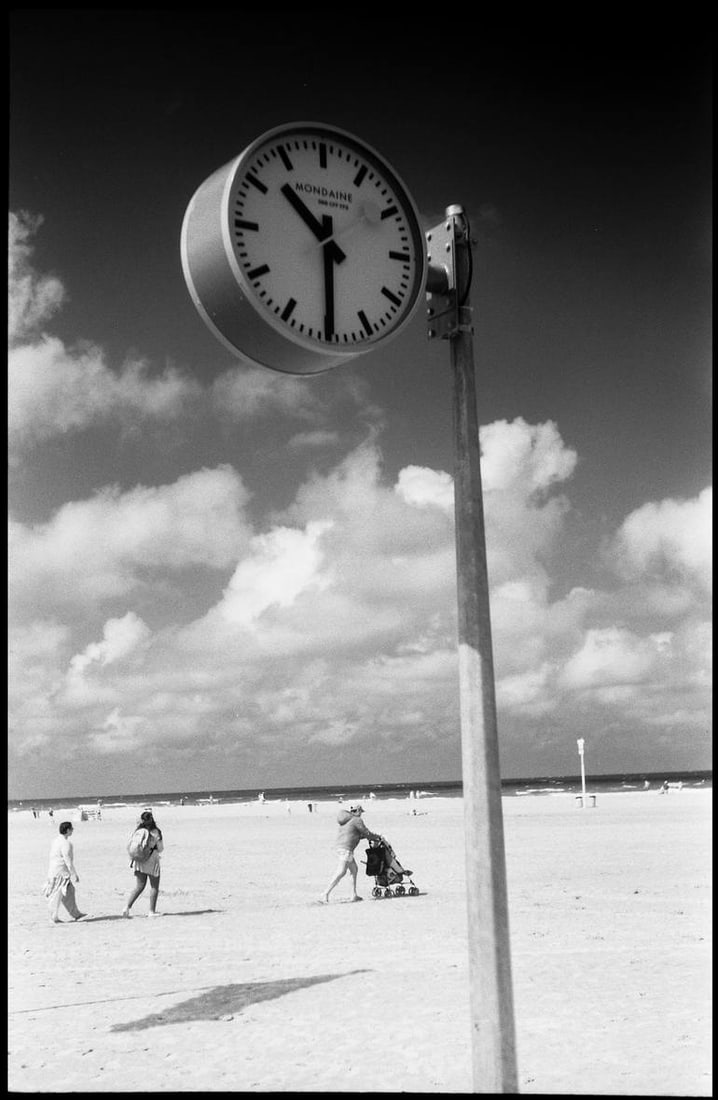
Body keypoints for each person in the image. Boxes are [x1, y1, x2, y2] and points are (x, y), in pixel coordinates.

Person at [320, 804, 382, 904]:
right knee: (341, 871)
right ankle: (325, 893)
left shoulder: (347, 820)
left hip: (340, 847)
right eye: (360, 811)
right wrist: (378, 836)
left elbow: (355, 834)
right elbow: (367, 834)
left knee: (354, 869)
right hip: (346, 849)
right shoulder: (357, 820)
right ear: (357, 811)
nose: (361, 814)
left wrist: (371, 837)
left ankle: (353, 895)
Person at [122, 810, 164, 918]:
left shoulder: (139, 830)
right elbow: (160, 848)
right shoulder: (156, 832)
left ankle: (126, 907)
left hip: (138, 861)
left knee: (139, 886)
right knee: (154, 886)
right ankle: (151, 911)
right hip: (152, 861)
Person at [43, 821, 86, 923]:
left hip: (54, 871)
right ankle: (55, 917)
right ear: (67, 830)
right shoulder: (66, 843)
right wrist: (74, 874)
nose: (73, 830)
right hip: (60, 873)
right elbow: (68, 860)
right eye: (71, 829)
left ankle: (76, 914)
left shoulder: (56, 840)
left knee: (68, 891)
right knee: (58, 895)